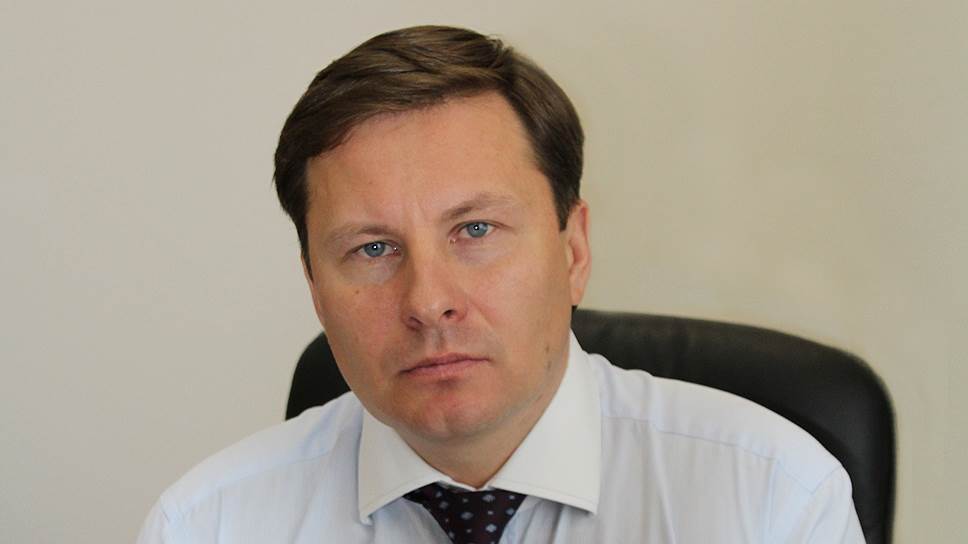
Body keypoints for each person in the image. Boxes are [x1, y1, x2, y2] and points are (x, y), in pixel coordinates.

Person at [137, 25, 864, 543]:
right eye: (372, 248)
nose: (429, 302)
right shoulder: (207, 525)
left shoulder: (770, 498)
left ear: (573, 250)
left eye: (476, 230)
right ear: (314, 287)